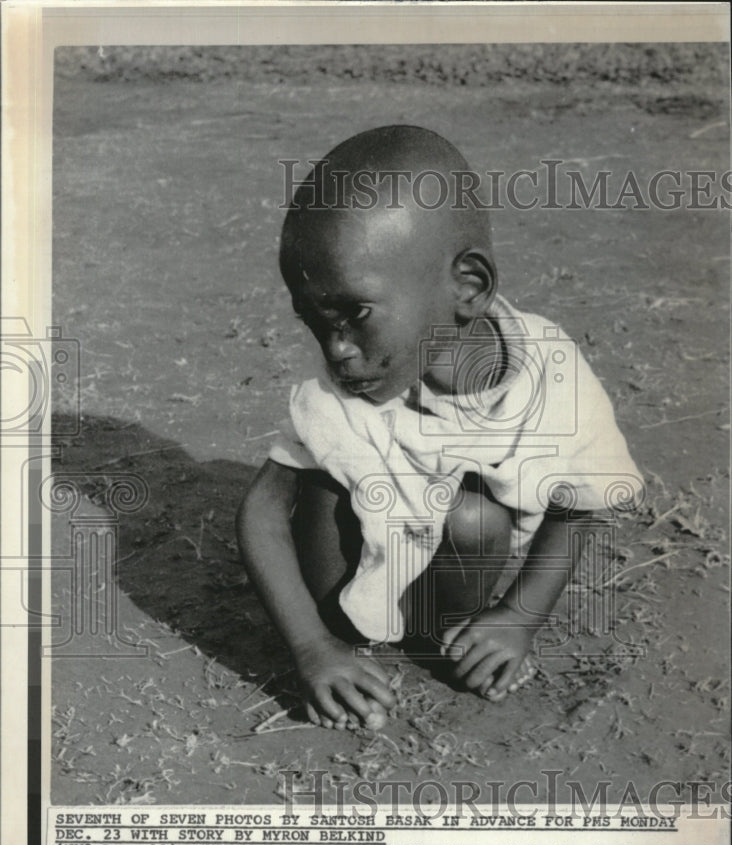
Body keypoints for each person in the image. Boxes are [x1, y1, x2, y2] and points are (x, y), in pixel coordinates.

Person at [237, 125, 643, 731]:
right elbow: (263, 513)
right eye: (316, 324)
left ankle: (433, 634)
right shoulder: (347, 384)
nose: (337, 350)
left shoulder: (548, 372)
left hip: (443, 586)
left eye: (354, 315)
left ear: (468, 287)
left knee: (477, 518)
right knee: (326, 470)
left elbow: (577, 503)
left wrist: (518, 618)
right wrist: (313, 648)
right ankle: (353, 632)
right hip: (338, 592)